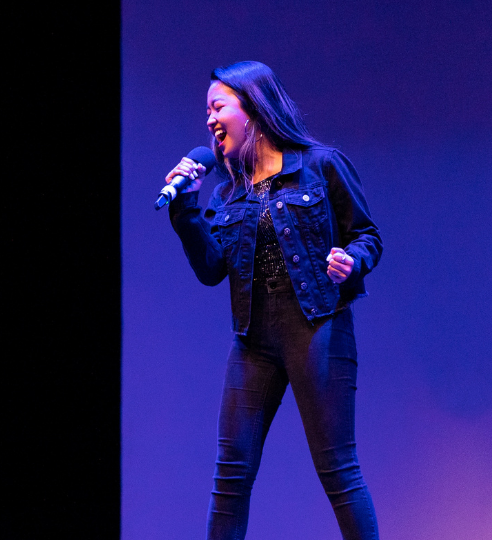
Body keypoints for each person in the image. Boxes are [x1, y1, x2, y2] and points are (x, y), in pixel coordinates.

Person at [164, 61, 382, 540]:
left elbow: (367, 235)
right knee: (230, 478)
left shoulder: (321, 165)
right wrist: (185, 210)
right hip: (253, 342)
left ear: (254, 108)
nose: (209, 119)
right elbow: (210, 269)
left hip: (318, 327)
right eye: (206, 110)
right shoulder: (229, 194)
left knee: (338, 471)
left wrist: (352, 260)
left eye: (217, 106)